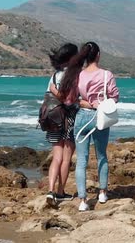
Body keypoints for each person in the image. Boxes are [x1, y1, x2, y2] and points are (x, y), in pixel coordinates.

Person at [58, 42, 119, 211]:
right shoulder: (107, 75)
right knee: (101, 156)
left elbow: (69, 100)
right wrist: (100, 102)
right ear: (98, 55)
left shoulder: (77, 74)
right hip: (99, 117)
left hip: (82, 117)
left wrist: (83, 101)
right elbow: (114, 97)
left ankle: (83, 200)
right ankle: (102, 192)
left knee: (81, 160)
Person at [44, 43, 79, 206]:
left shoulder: (54, 75)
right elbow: (69, 101)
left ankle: (50, 191)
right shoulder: (73, 75)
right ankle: (60, 192)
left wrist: (54, 90)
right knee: (66, 159)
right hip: (68, 118)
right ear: (72, 58)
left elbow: (51, 95)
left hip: (52, 118)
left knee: (56, 157)